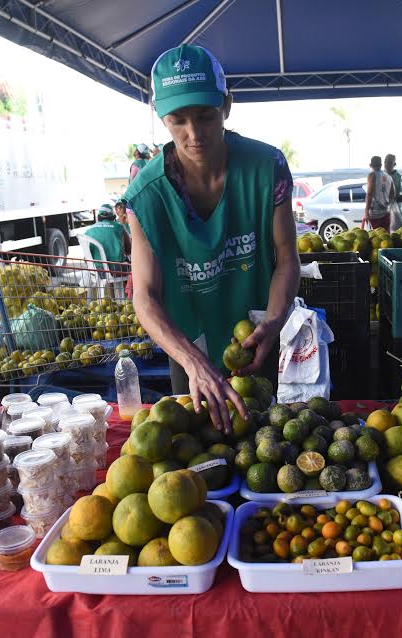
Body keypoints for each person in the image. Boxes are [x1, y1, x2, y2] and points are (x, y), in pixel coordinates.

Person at [124, 44, 300, 432]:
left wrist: (273, 322)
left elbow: (287, 257)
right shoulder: (146, 196)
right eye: (177, 121)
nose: (193, 134)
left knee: (262, 444)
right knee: (195, 455)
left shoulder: (265, 168)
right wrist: (192, 362)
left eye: (205, 116)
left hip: (255, 338)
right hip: (187, 343)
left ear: (227, 105)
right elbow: (145, 296)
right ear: (162, 119)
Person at [363, 155, 395, 231]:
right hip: (386, 213)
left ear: (370, 165)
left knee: (371, 238)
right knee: (385, 238)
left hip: (373, 215)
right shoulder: (388, 176)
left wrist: (366, 211)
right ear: (381, 165)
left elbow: (369, 193)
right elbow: (392, 194)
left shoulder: (372, 175)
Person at [384, 154, 402, 230]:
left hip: (396, 211)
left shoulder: (399, 177)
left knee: (397, 234)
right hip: (382, 213)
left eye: (389, 162)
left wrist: (394, 199)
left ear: (394, 164)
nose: (386, 164)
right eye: (385, 161)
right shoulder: (380, 176)